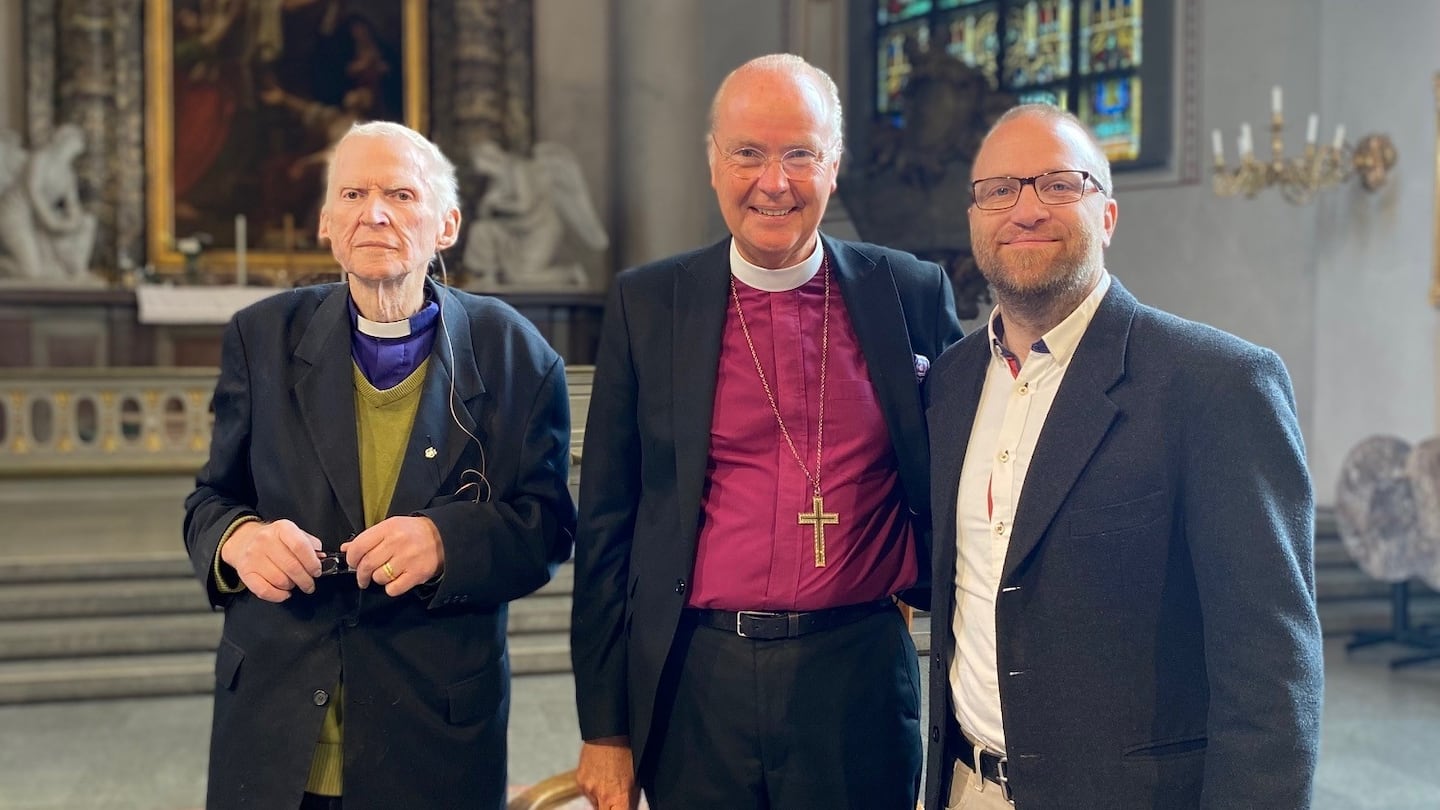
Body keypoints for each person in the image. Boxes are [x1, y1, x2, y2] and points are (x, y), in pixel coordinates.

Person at [570, 53, 964, 810]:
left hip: (859, 677)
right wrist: (605, 728)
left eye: (799, 154)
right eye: (747, 153)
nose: (773, 182)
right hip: (697, 676)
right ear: (714, 162)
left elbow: (960, 477)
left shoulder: (908, 293)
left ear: (835, 165)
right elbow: (608, 523)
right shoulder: (649, 304)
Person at [923, 104, 1323, 809]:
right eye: (999, 190)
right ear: (974, 219)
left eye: (1058, 184)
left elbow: (1272, 674)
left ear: (1107, 216)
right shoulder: (951, 385)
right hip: (964, 787)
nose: (1026, 209)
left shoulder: (1215, 384)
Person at [183, 120, 576, 810]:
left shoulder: (515, 353)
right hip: (276, 730)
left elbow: (544, 526)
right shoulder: (262, 336)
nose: (375, 213)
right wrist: (240, 541)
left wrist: (445, 541)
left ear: (446, 224)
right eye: (354, 194)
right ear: (326, 224)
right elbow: (210, 501)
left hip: (430, 729)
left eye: (400, 193)